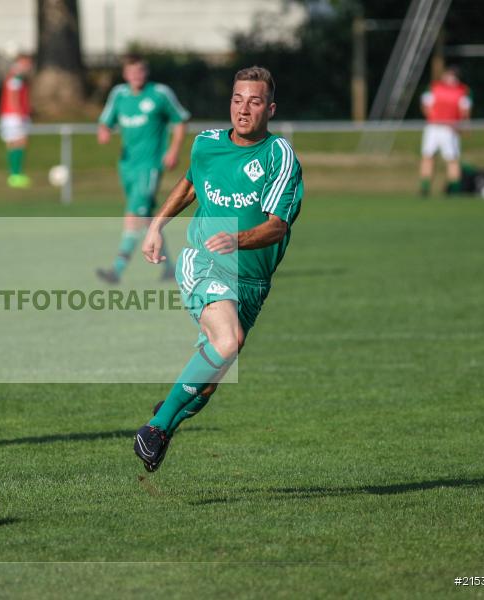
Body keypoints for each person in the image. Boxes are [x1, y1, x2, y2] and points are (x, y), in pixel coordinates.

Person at [133, 66, 303, 472]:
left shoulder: (279, 156)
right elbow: (191, 184)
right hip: (204, 262)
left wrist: (239, 239)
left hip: (253, 283)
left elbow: (277, 225)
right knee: (229, 341)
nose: (243, 109)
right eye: (237, 99)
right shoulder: (206, 144)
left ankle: (165, 423)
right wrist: (157, 226)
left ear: (270, 109)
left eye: (255, 101)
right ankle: (155, 428)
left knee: (206, 382)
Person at [95, 54, 190, 285]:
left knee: (133, 216)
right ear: (125, 74)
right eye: (131, 72)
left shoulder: (159, 93)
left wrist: (174, 150)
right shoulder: (119, 94)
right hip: (126, 165)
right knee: (146, 217)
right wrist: (105, 131)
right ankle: (170, 267)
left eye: (140, 71)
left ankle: (116, 270)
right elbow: (105, 121)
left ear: (145, 72)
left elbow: (180, 120)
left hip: (150, 166)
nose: (136, 76)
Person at [419, 66, 472, 196]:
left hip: (450, 129)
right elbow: (426, 107)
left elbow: (465, 111)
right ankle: (424, 189)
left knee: (452, 159)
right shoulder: (434, 88)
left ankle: (454, 189)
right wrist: (434, 118)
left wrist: (463, 126)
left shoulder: (462, 91)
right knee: (428, 156)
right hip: (434, 127)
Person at [0, 54, 34, 188]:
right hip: (14, 116)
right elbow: (12, 97)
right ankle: (15, 175)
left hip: (12, 115)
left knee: (15, 143)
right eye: (27, 63)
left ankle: (15, 174)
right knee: (19, 142)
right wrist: (19, 114)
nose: (29, 66)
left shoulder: (16, 77)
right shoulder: (15, 78)